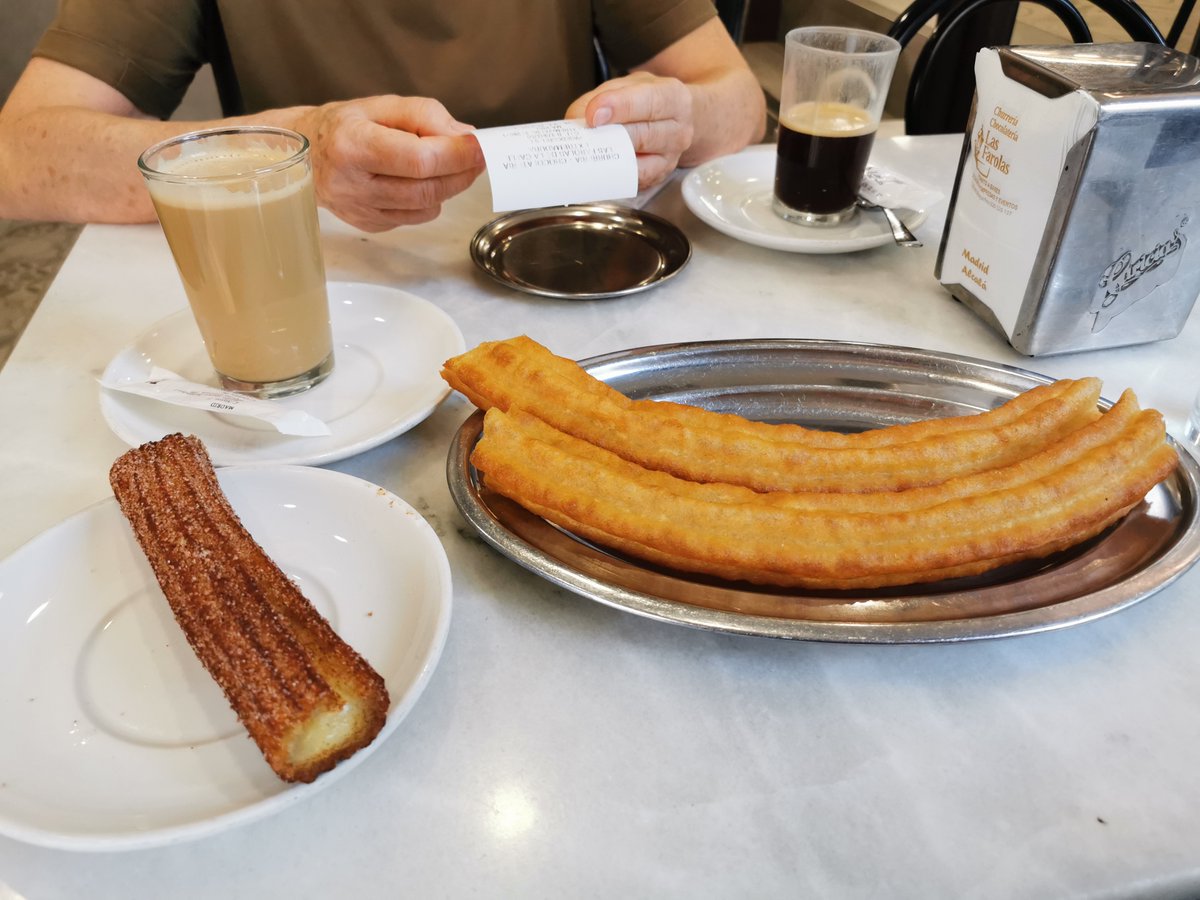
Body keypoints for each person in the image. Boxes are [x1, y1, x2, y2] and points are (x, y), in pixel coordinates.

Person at [0, 1, 766, 232]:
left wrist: (681, 118)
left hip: (565, 273)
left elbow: (739, 102)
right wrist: (297, 150)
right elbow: (20, 158)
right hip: (306, 290)